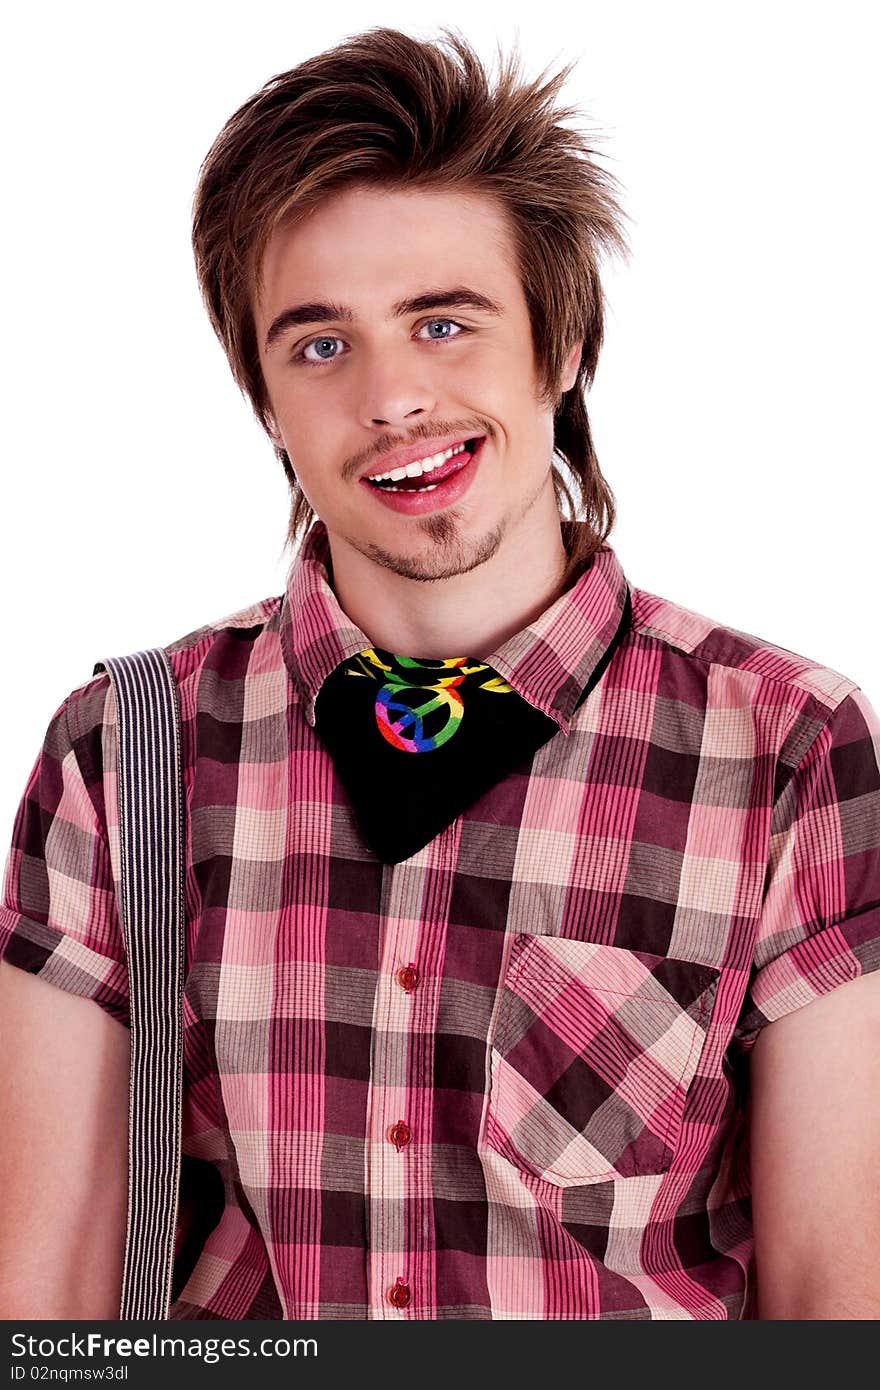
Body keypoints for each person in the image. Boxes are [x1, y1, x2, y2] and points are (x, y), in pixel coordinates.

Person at [1, 25, 878, 1323]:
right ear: (263, 399)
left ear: (562, 345)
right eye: (319, 344)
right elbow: (49, 1300)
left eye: (445, 322)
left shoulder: (792, 751)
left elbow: (835, 1304)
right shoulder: (123, 752)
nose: (393, 395)